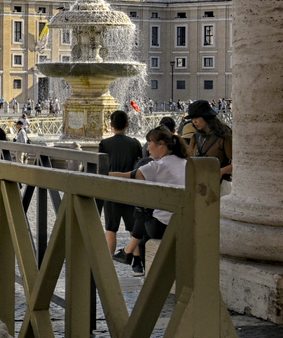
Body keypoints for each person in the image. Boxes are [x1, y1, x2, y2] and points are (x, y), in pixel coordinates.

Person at [109, 127, 189, 275]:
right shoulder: (184, 162)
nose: (147, 147)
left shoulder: (157, 166)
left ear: (161, 144)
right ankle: (128, 252)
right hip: (185, 220)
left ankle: (145, 274)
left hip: (164, 225)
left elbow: (127, 176)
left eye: (149, 142)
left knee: (143, 218)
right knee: (145, 209)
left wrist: (103, 174)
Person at [97, 110, 145, 260]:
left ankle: (107, 266)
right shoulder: (135, 143)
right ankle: (137, 264)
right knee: (132, 228)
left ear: (110, 125)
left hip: (111, 190)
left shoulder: (104, 144)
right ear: (127, 125)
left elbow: (101, 168)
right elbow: (140, 164)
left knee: (111, 229)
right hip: (130, 189)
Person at [184, 100, 232, 180]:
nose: (194, 121)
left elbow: (237, 164)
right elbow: (189, 160)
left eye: (196, 117)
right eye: (192, 118)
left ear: (206, 117)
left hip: (219, 184)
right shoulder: (195, 137)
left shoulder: (224, 137)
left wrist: (221, 171)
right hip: (199, 182)